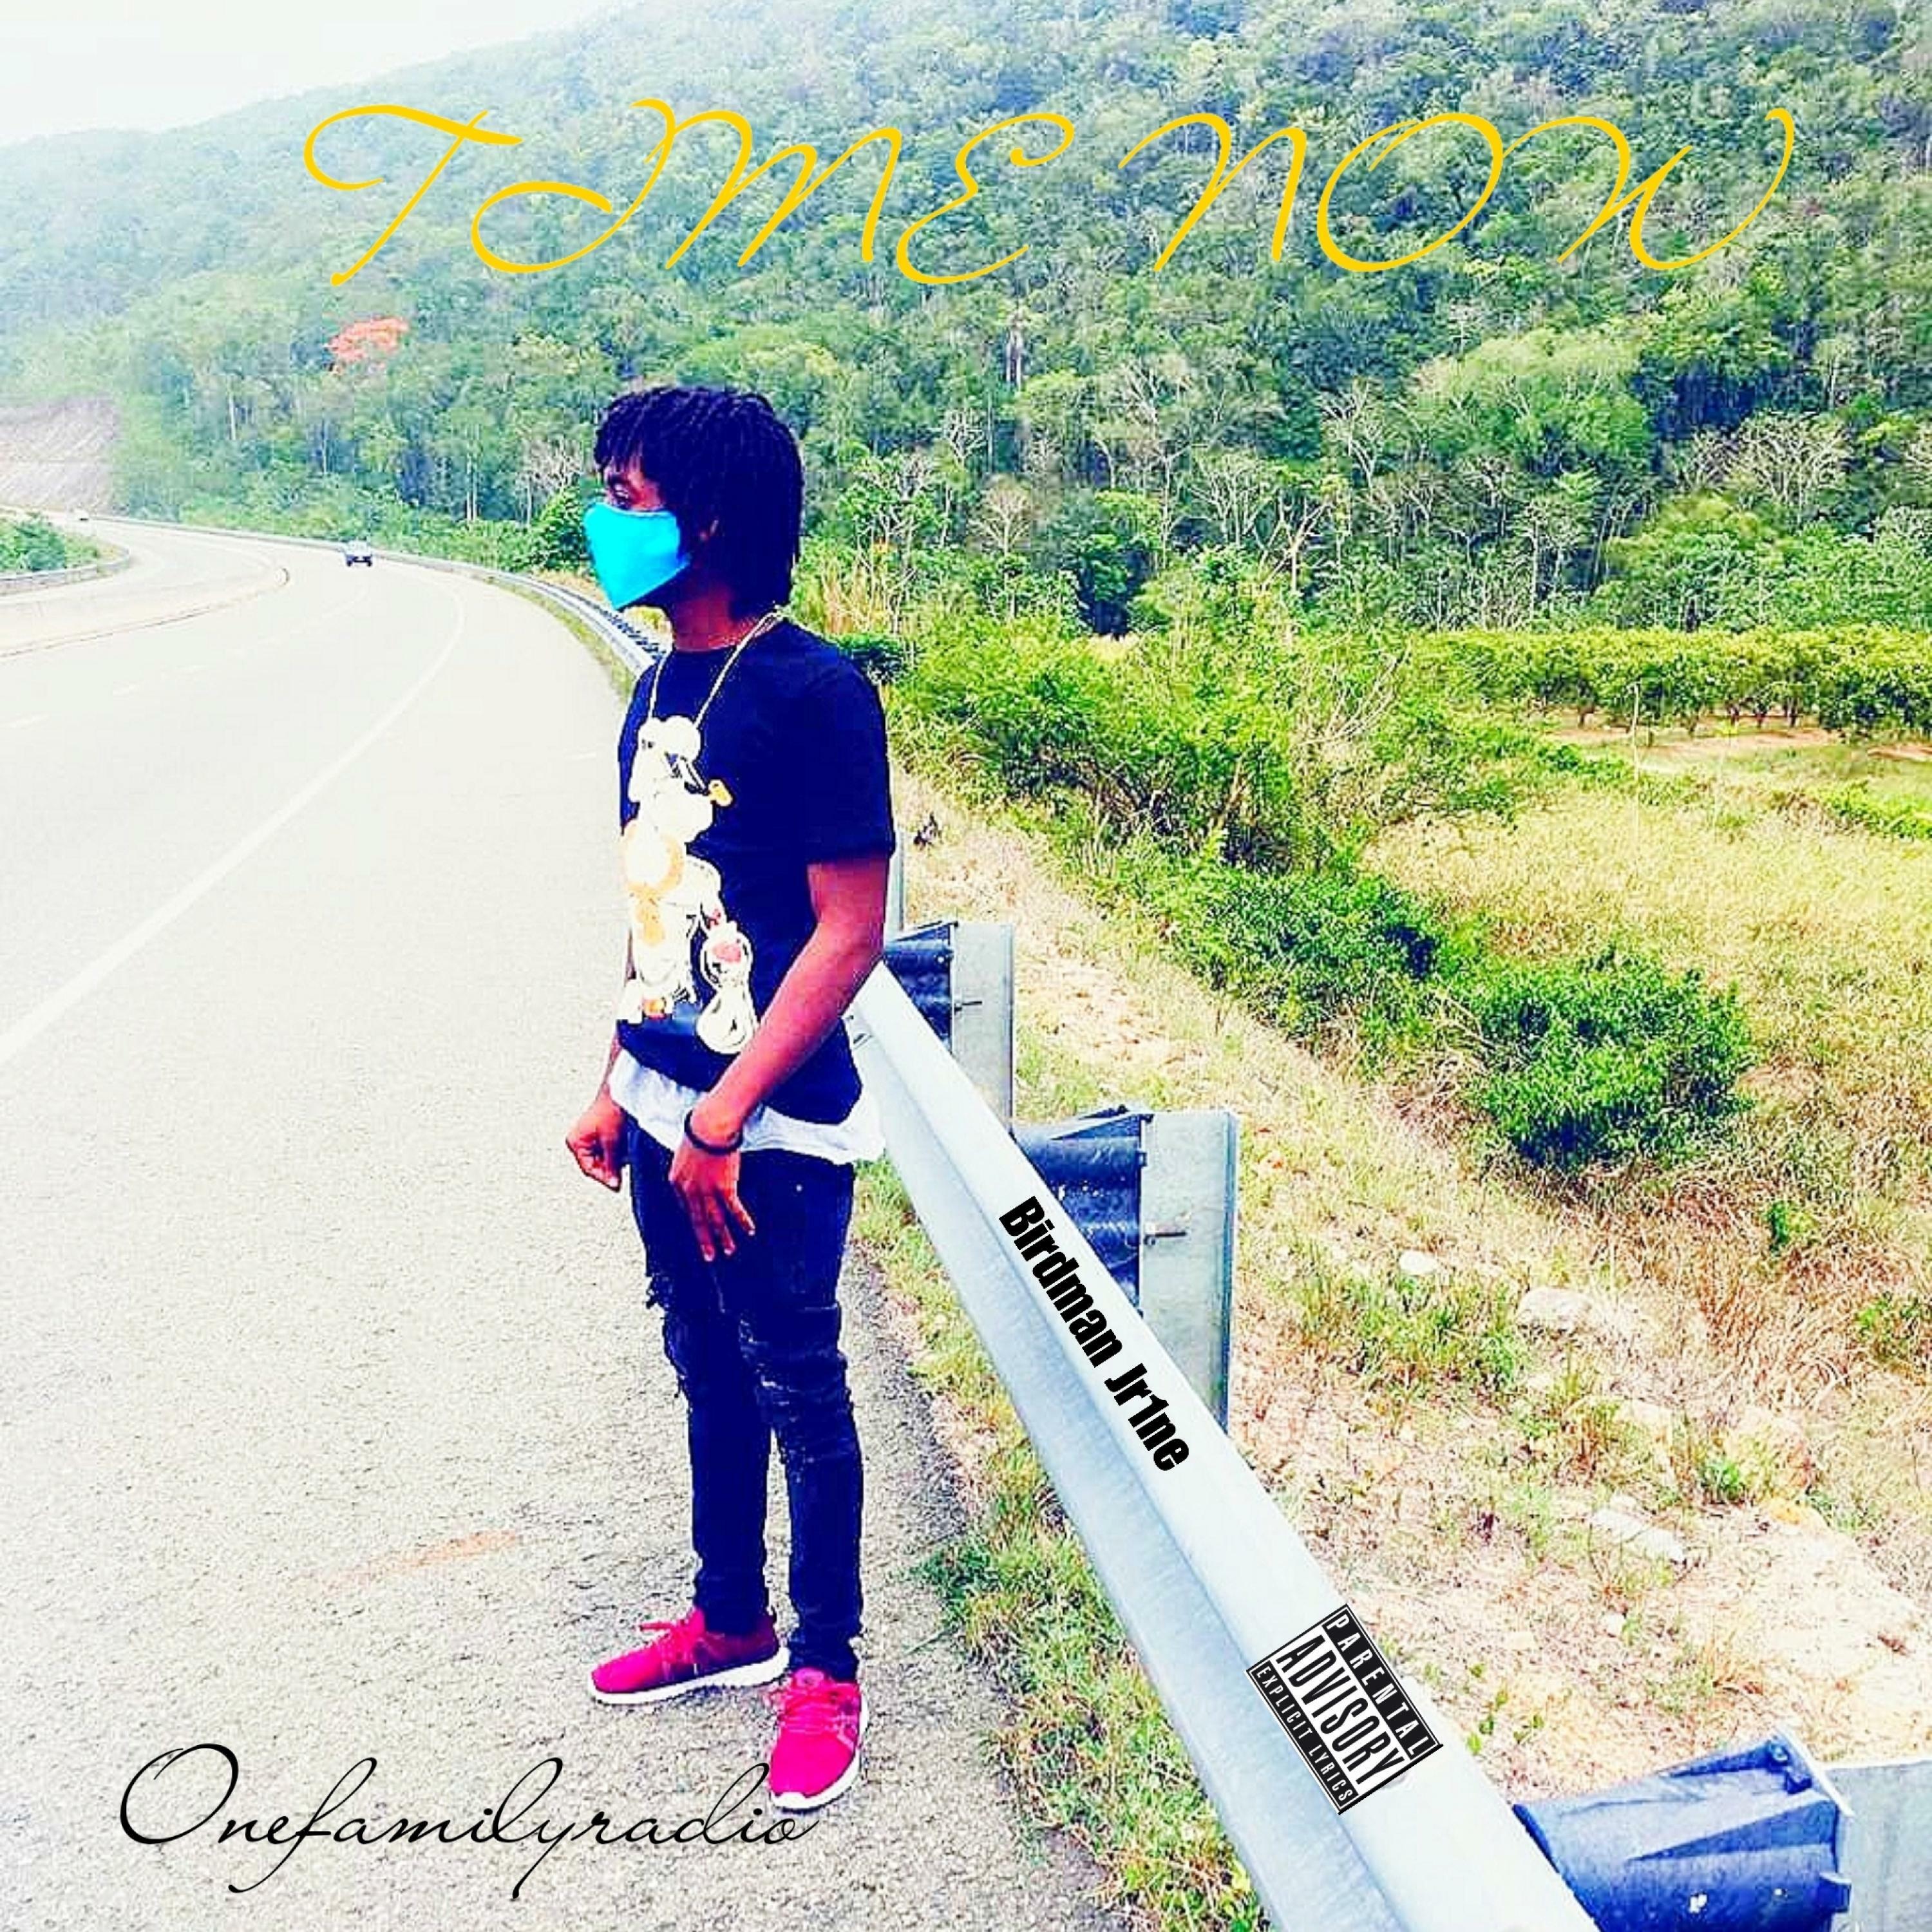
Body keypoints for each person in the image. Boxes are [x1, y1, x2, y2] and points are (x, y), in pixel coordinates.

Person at [564, 384, 895, 1813]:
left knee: (798, 1382)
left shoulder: (815, 693)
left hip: (775, 1126)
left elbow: (847, 933)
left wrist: (724, 1120)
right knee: (704, 1359)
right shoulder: (654, 690)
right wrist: (619, 1081)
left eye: (626, 495)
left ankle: (825, 1668)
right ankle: (729, 1621)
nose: (605, 519)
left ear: (705, 518)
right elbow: (665, 918)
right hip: (666, 1103)